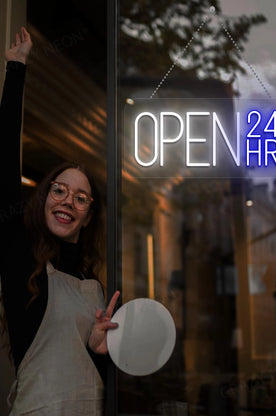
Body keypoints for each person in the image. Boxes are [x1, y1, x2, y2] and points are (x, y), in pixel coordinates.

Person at [0, 27, 120, 415]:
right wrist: (16, 68)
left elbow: (95, 373)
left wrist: (100, 349)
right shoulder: (22, 260)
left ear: (87, 218)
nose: (68, 199)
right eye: (59, 190)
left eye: (81, 197)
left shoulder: (94, 285)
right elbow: (3, 166)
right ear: (44, 198)